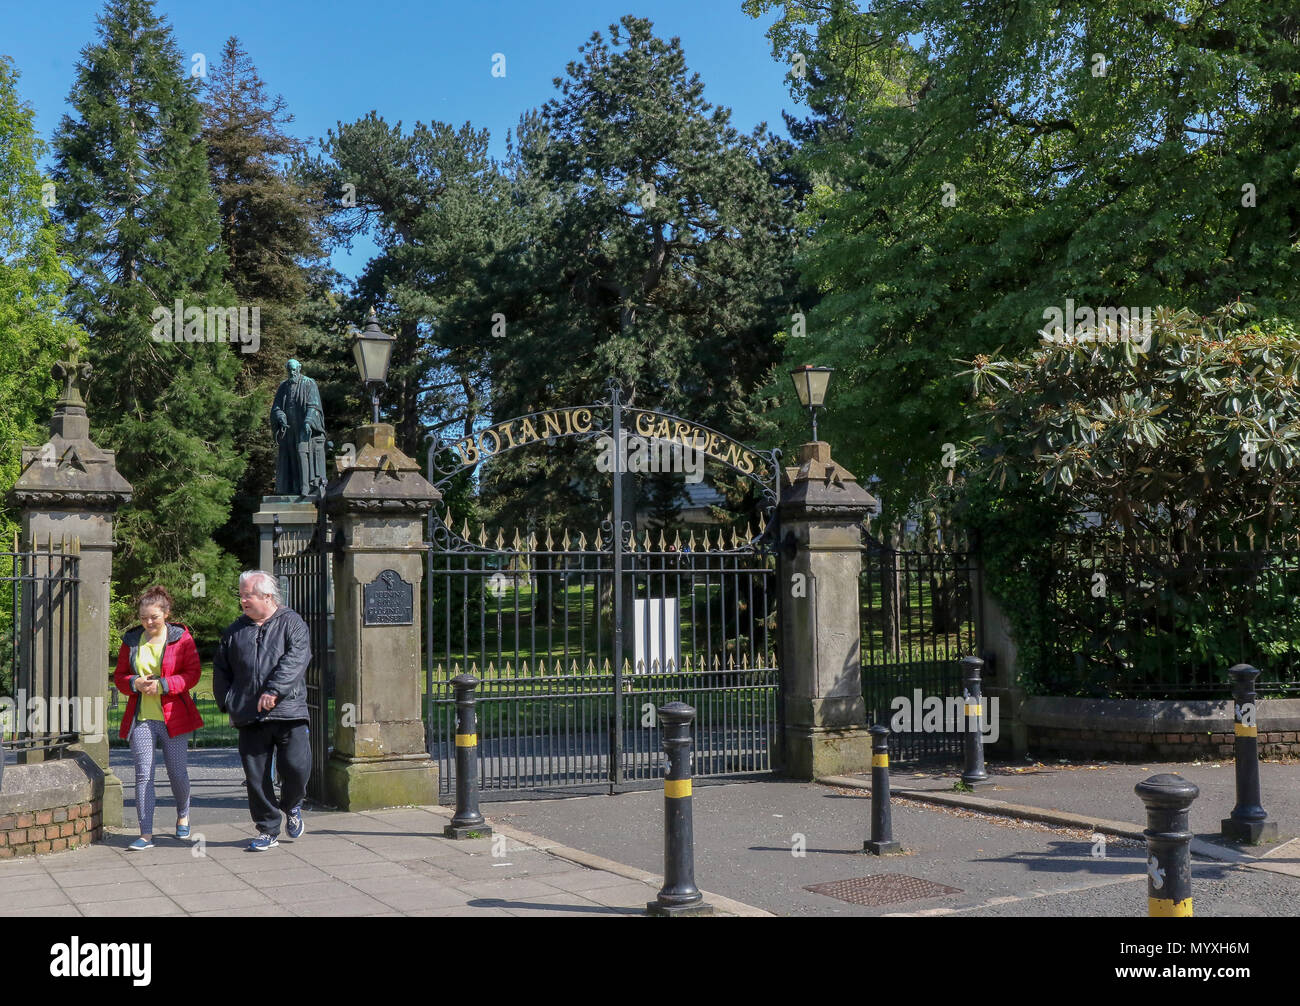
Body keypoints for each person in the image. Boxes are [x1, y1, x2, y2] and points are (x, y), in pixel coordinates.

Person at [213, 570, 312, 851]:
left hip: (288, 711)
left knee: (296, 767)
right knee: (256, 778)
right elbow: (221, 669)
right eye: (241, 595)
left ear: (267, 596)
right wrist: (228, 702)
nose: (242, 600)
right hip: (249, 715)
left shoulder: (292, 623)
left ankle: (292, 805)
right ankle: (268, 828)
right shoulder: (235, 631)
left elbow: (297, 659)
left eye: (248, 595)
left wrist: (274, 691)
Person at [113, 586, 203, 850]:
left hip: (173, 716)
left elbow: (193, 674)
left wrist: (164, 685)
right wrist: (134, 682)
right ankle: (146, 834)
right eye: (143, 617)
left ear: (166, 613)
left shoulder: (181, 638)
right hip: (141, 717)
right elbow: (119, 677)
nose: (148, 622)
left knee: (177, 772)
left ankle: (183, 813)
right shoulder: (131, 640)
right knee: (143, 775)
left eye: (153, 616)